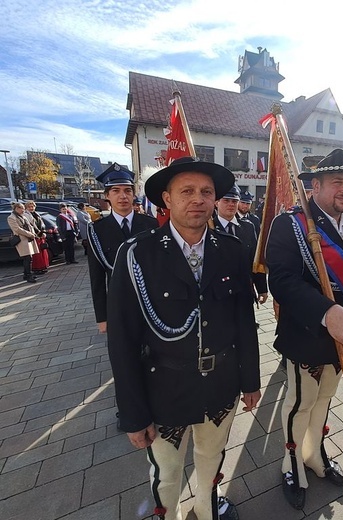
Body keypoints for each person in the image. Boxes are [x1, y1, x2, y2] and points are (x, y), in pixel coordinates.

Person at [106, 156, 261, 520]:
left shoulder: (232, 249)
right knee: (168, 473)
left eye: (206, 192)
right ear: (167, 199)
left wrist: (251, 380)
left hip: (222, 383)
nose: (198, 199)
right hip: (164, 389)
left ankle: (208, 509)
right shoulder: (136, 254)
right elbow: (122, 341)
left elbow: (244, 320)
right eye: (187, 191)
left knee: (212, 459)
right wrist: (132, 413)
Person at [265, 149, 343, 510]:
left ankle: (314, 454)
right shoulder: (291, 224)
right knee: (301, 404)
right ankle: (292, 462)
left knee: (325, 401)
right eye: (337, 182)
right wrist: (328, 313)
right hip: (307, 338)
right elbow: (280, 282)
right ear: (314, 186)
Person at [87, 162, 157, 334]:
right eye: (116, 191)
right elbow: (96, 278)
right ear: (107, 196)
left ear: (134, 195)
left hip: (150, 302)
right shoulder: (97, 230)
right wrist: (102, 317)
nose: (123, 196)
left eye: (127, 190)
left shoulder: (150, 224)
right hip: (118, 304)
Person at [212, 184, 268, 309]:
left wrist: (262, 288)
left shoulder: (248, 227)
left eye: (234, 201)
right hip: (218, 296)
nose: (231, 204)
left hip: (244, 292)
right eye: (226, 200)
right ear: (216, 202)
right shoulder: (208, 228)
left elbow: (255, 259)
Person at [7, 202, 40, 283]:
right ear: (16, 209)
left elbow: (29, 225)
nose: (23, 210)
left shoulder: (23, 216)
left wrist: (33, 234)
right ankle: (28, 275)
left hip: (28, 238)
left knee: (29, 257)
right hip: (22, 239)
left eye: (23, 208)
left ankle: (26, 274)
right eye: (21, 208)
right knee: (27, 258)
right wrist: (29, 234)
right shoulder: (11, 217)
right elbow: (17, 229)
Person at [24, 200, 50, 274]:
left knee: (42, 252)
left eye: (32, 206)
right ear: (26, 207)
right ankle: (37, 269)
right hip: (34, 236)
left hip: (41, 235)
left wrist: (43, 231)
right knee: (36, 254)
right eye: (29, 207)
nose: (31, 208)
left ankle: (43, 266)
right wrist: (38, 233)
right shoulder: (26, 215)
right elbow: (30, 226)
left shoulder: (36, 214)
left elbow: (42, 224)